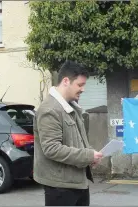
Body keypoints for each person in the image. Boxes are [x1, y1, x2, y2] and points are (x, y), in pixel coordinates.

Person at [33, 60, 103, 206]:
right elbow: (52, 149)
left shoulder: (70, 107)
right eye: (80, 85)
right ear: (66, 81)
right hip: (61, 187)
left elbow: (77, 140)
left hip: (77, 182)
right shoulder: (49, 110)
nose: (83, 89)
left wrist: (91, 156)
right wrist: (88, 155)